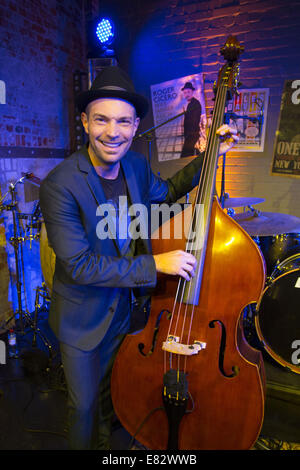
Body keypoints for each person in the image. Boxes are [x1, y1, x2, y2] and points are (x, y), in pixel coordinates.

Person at [39, 66, 238, 450]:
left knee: (111, 399)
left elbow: (165, 193)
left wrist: (211, 154)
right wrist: (156, 265)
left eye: (124, 122)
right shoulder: (59, 184)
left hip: (125, 312)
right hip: (82, 319)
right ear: (84, 121)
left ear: (134, 126)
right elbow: (79, 265)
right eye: (101, 119)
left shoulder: (135, 165)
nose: (113, 132)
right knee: (82, 409)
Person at [180, 81, 206, 158]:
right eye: (185, 93)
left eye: (188, 92)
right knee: (188, 156)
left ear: (192, 92)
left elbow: (194, 121)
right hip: (190, 134)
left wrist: (189, 134)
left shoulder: (195, 104)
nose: (186, 94)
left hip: (192, 134)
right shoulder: (191, 103)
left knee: (185, 156)